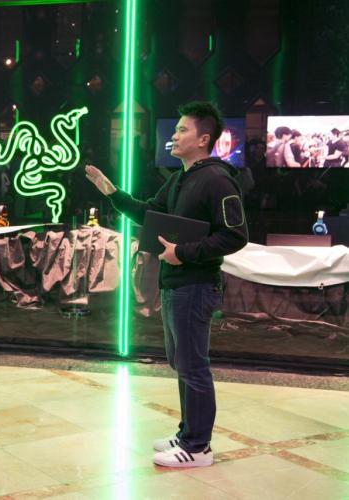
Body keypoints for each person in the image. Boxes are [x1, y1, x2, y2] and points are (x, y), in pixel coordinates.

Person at [85, 101, 248, 468]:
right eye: (175, 129)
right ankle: (188, 431)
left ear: (203, 139)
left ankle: (198, 447)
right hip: (175, 284)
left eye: (182, 130)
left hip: (195, 285)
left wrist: (183, 253)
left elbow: (235, 236)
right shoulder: (180, 178)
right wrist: (111, 192)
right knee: (182, 363)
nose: (173, 135)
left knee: (193, 366)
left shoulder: (217, 179)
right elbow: (149, 213)